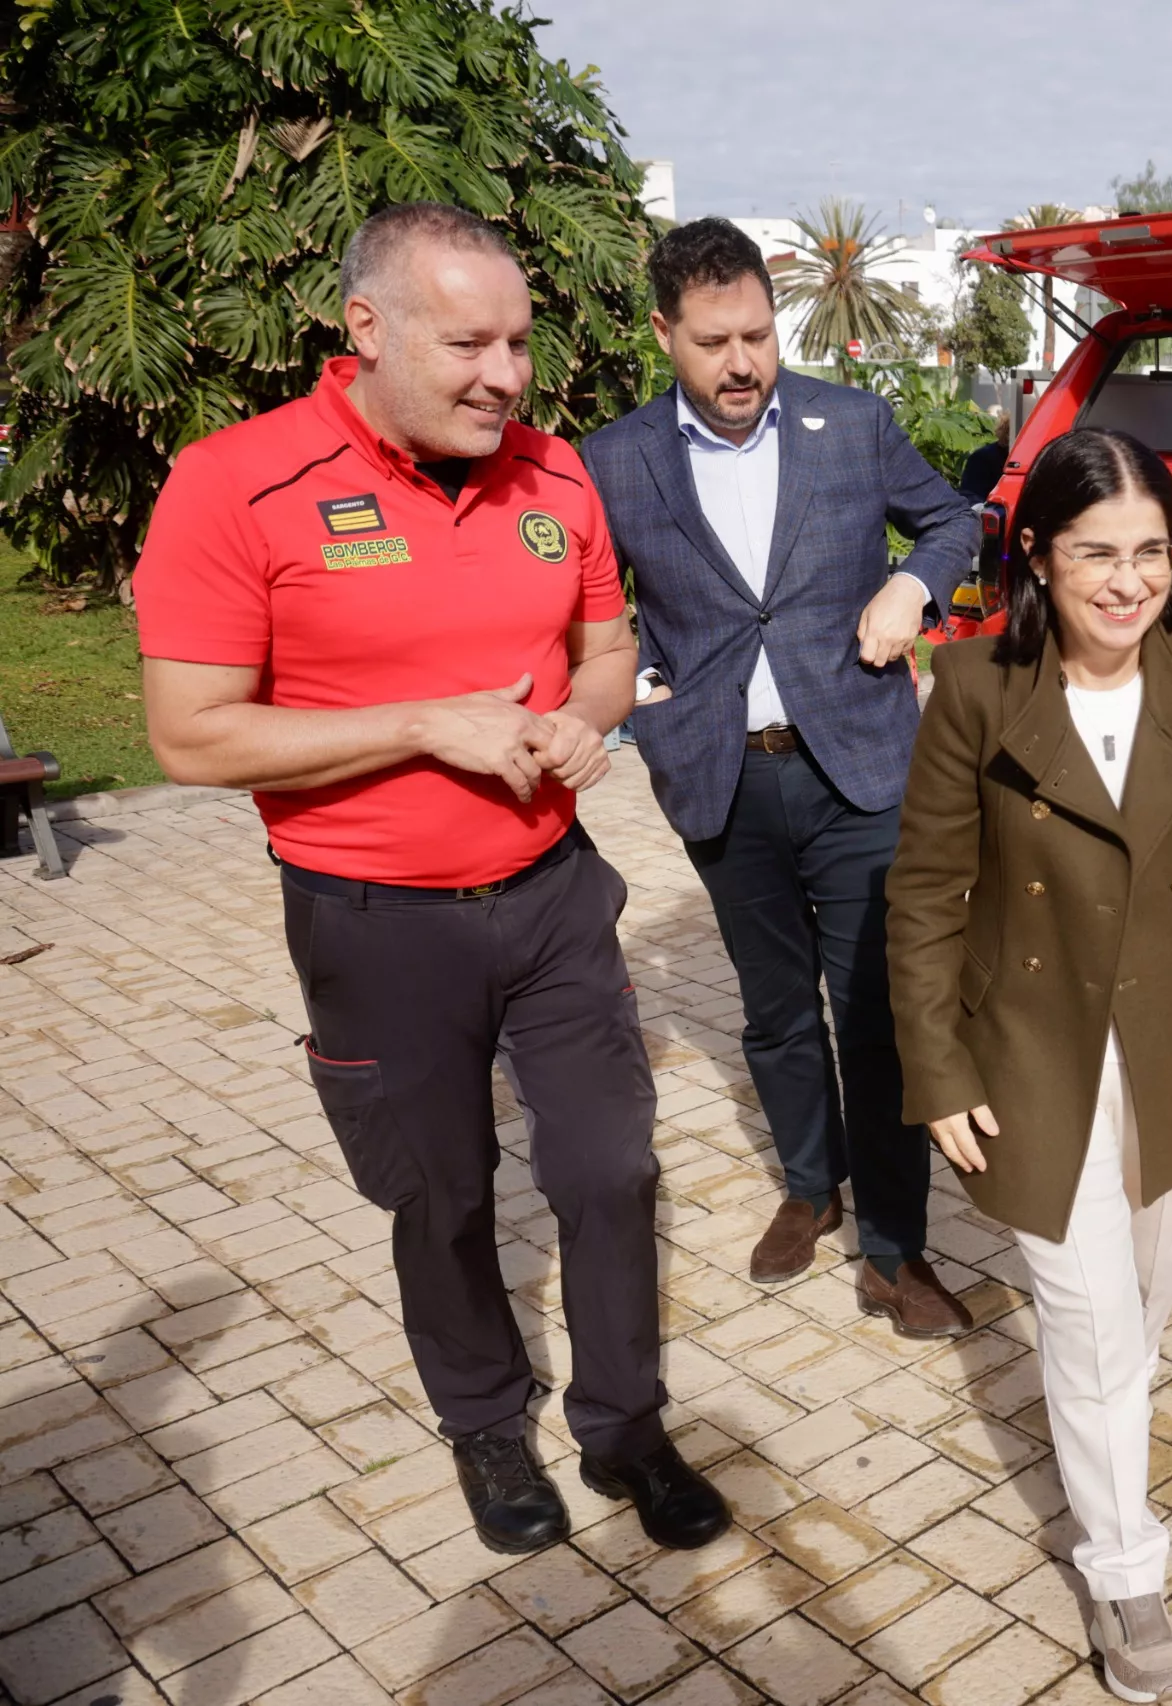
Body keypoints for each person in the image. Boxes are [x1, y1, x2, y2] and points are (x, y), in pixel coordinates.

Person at [136, 203, 727, 1555]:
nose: (505, 375)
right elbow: (189, 731)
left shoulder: (553, 476)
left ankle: (627, 1424)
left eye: (518, 341)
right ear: (367, 330)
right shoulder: (239, 483)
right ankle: (482, 1418)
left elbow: (603, 647)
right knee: (441, 1188)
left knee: (609, 1164)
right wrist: (417, 723)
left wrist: (591, 716)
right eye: (468, 342)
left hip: (553, 895)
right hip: (373, 926)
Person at [887, 428, 1172, 1701]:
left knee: (1147, 1297)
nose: (1128, 582)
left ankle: (1106, 1458)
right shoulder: (973, 687)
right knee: (1091, 1321)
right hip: (1035, 1055)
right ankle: (1126, 1571)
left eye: (1151, 552)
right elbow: (925, 895)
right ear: (1039, 559)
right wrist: (939, 1069)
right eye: (1096, 554)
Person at [583, 220, 980, 1323]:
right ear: (665, 334)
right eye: (714, 342)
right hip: (721, 779)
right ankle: (812, 1187)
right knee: (773, 1012)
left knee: (879, 1014)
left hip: (859, 769)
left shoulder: (848, 425)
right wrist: (637, 692)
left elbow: (955, 517)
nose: (742, 363)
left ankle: (897, 1248)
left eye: (757, 334)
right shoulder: (615, 460)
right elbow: (575, 602)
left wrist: (915, 589)